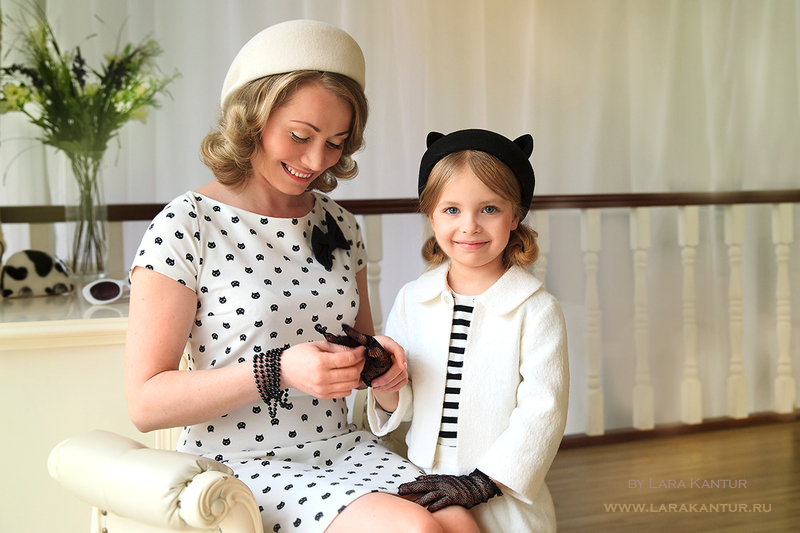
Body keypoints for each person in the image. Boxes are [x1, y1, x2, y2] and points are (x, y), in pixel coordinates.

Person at [126, 20, 477, 533]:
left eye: (335, 142)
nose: (316, 160)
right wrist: (279, 370)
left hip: (342, 448)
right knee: (416, 529)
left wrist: (380, 367)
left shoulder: (340, 223)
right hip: (240, 464)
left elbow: (358, 350)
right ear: (252, 118)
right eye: (300, 136)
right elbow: (145, 403)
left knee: (461, 522)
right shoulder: (186, 224)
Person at [368, 129, 570, 532]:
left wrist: (481, 483)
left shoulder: (537, 309)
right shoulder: (412, 299)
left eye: (489, 209)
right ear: (431, 215)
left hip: (500, 492)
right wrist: (381, 379)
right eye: (452, 209)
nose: (470, 226)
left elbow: (542, 413)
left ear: (515, 215)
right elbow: (402, 403)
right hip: (423, 482)